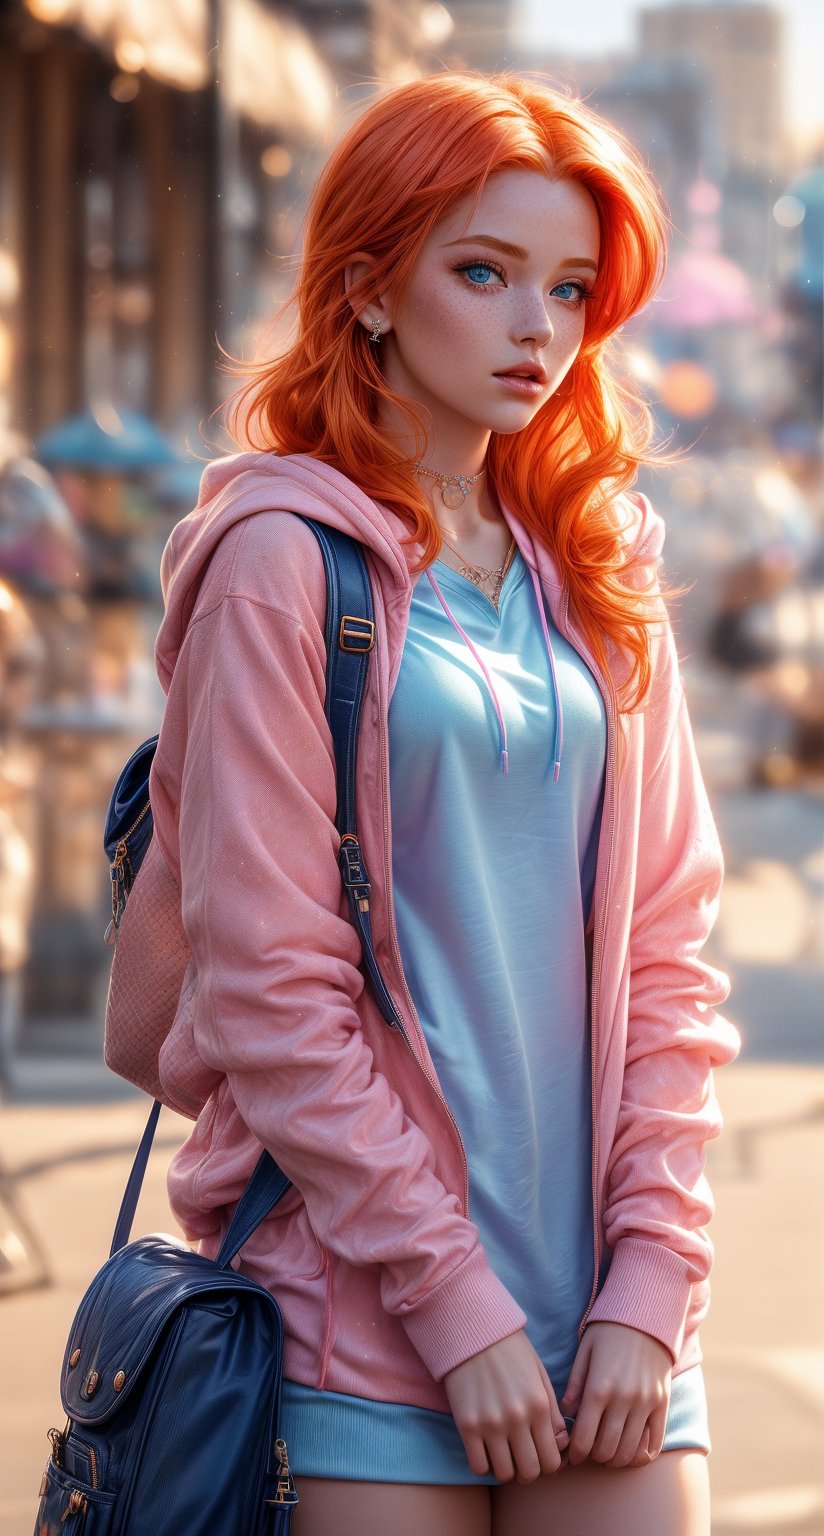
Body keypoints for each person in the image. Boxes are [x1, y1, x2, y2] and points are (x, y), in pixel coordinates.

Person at [140, 72, 741, 1536]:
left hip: (606, 1308)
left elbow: (670, 954)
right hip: (368, 1307)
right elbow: (276, 994)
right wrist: (453, 1302)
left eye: (573, 287)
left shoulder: (598, 568)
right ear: (367, 290)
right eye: (485, 272)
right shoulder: (282, 561)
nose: (539, 325)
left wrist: (654, 1273)